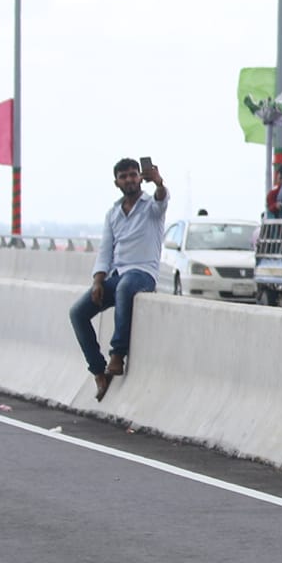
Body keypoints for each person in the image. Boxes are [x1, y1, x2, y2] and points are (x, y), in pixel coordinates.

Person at [71, 157, 170, 402]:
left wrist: (159, 182)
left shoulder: (151, 207)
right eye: (123, 176)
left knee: (125, 287)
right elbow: (105, 251)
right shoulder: (113, 213)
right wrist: (98, 281)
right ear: (116, 182)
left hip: (143, 274)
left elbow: (161, 198)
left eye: (133, 175)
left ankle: (117, 355)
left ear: (140, 177)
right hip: (118, 275)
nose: (129, 180)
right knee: (78, 313)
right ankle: (98, 371)